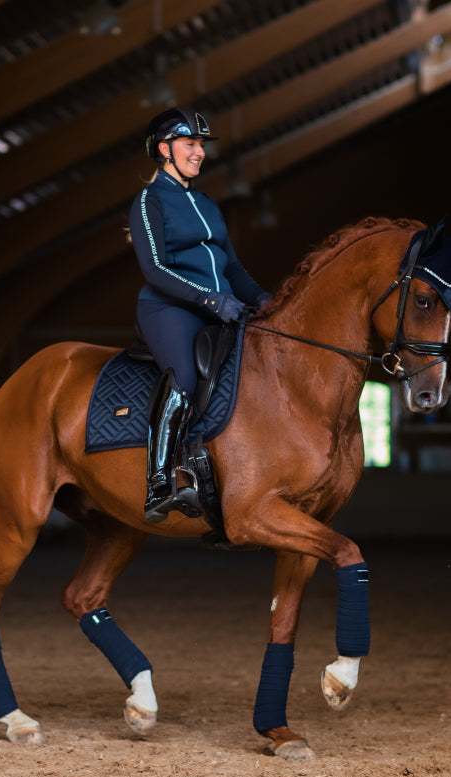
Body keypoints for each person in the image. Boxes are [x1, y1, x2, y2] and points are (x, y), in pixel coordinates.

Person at [129, 107, 271, 523]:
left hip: (222, 305)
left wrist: (263, 299)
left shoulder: (206, 203)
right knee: (185, 377)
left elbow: (231, 267)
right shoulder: (148, 202)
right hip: (168, 307)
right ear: (164, 149)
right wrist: (211, 301)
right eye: (190, 144)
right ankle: (159, 483)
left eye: (200, 146)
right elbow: (154, 269)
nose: (199, 153)